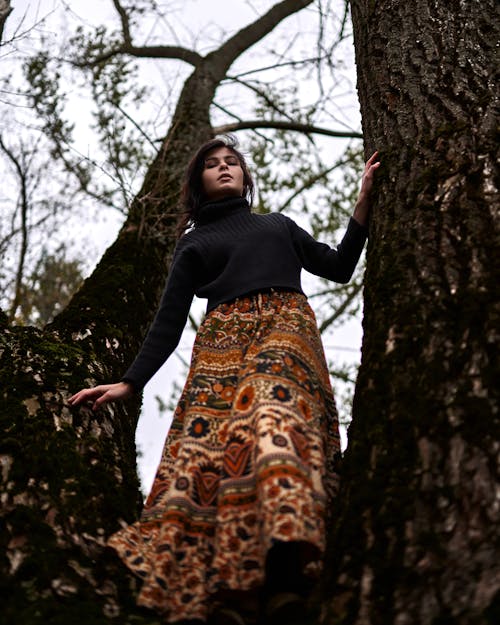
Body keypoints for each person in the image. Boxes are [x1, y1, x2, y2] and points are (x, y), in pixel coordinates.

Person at [69, 136, 380, 625]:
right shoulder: (193, 243)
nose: (223, 168)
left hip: (285, 325)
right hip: (221, 341)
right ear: (200, 184)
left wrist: (363, 201)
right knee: (215, 451)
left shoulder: (277, 225)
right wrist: (130, 383)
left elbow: (338, 267)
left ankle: (285, 576)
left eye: (231, 161)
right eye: (212, 165)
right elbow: (168, 321)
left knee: (273, 417)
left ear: (244, 175)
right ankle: (229, 592)